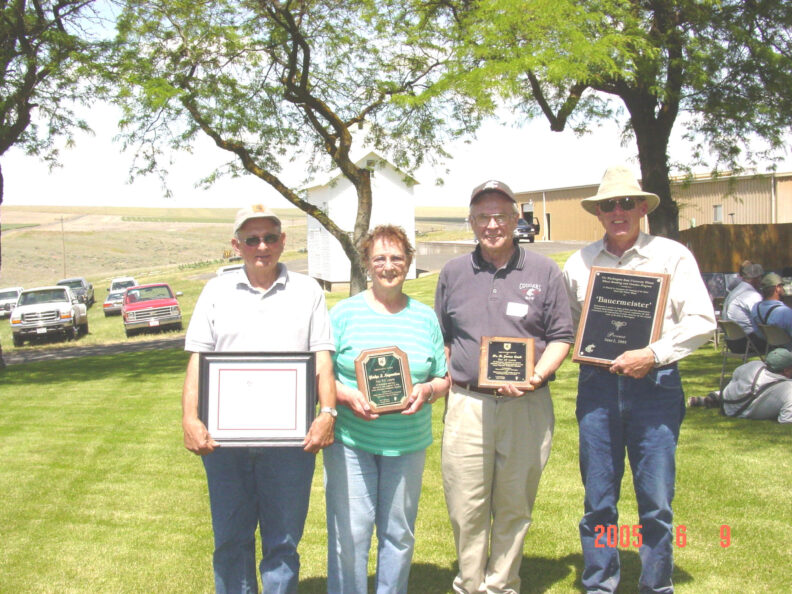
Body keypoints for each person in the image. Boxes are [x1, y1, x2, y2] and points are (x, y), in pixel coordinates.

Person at [563, 165, 716, 594]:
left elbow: (702, 321)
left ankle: (656, 585)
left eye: (626, 203)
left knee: (656, 501)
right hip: (597, 388)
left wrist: (653, 354)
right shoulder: (579, 263)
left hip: (655, 387)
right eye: (609, 205)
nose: (618, 211)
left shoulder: (672, 256)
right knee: (598, 499)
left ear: (642, 209)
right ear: (598, 212)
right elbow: (567, 325)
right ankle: (599, 584)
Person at [181, 204, 337, 594]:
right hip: (225, 443)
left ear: (283, 241)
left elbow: (322, 357)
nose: (262, 246)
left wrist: (327, 412)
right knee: (230, 540)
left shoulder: (308, 291)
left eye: (269, 237)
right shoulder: (215, 291)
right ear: (237, 245)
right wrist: (190, 417)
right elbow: (198, 359)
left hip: (290, 443)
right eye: (252, 239)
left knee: (283, 542)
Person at [435, 180, 574, 594]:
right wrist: (446, 382)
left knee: (515, 503)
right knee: (466, 505)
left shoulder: (544, 271)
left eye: (500, 216)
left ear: (516, 220)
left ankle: (502, 584)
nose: (491, 225)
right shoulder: (453, 272)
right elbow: (443, 338)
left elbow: (561, 336)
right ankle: (468, 583)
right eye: (482, 217)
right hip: (467, 404)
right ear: (471, 222)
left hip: (526, 406)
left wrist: (536, 377)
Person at [324, 225, 450, 594]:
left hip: (407, 444)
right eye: (379, 258)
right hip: (351, 442)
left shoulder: (425, 317)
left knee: (398, 534)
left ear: (408, 262)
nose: (388, 265)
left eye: (396, 257)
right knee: (350, 534)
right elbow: (321, 375)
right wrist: (345, 394)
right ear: (366, 262)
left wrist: (427, 390)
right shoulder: (343, 314)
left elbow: (443, 378)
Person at [689, 348, 792, 423]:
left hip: (728, 401)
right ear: (786, 370)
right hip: (744, 411)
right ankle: (715, 398)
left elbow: (735, 376)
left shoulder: (754, 365)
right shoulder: (788, 388)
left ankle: (714, 398)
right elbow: (786, 420)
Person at [721, 262, 765, 353]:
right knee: (782, 339)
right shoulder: (751, 295)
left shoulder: (735, 291)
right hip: (747, 343)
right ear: (755, 278)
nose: (762, 281)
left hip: (731, 342)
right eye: (760, 277)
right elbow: (762, 319)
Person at [749, 272, 792, 349]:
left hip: (769, 347)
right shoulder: (786, 312)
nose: (783, 289)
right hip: (788, 350)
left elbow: (758, 332)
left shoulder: (756, 308)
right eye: (782, 286)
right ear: (777, 288)